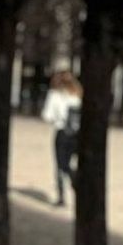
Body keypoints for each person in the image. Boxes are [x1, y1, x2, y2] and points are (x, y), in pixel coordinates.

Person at [41, 70, 83, 207]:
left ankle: (61, 196)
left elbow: (47, 115)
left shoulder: (54, 95)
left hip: (62, 131)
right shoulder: (77, 94)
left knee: (60, 165)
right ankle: (75, 179)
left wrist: (57, 118)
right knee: (72, 161)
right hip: (76, 134)